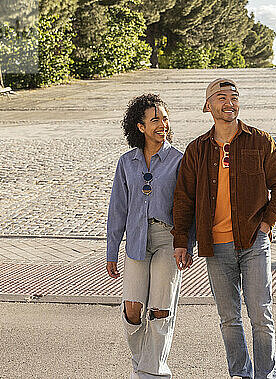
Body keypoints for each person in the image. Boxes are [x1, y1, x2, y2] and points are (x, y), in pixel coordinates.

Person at [172, 78, 276, 379]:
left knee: (261, 316)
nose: (229, 103)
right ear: (208, 106)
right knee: (228, 318)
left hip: (253, 242)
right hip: (216, 247)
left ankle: (266, 376)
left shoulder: (260, 141)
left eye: (234, 97)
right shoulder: (197, 150)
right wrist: (181, 241)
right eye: (221, 97)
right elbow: (183, 198)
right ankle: (240, 373)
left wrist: (267, 222)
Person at [107, 94, 190, 379]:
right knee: (133, 308)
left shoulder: (179, 160)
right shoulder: (126, 162)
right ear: (140, 126)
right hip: (137, 241)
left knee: (160, 308)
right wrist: (111, 252)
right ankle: (142, 363)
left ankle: (152, 372)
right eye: (155, 119)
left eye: (165, 119)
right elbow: (117, 209)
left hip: (167, 239)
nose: (162, 124)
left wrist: (184, 243)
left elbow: (186, 206)